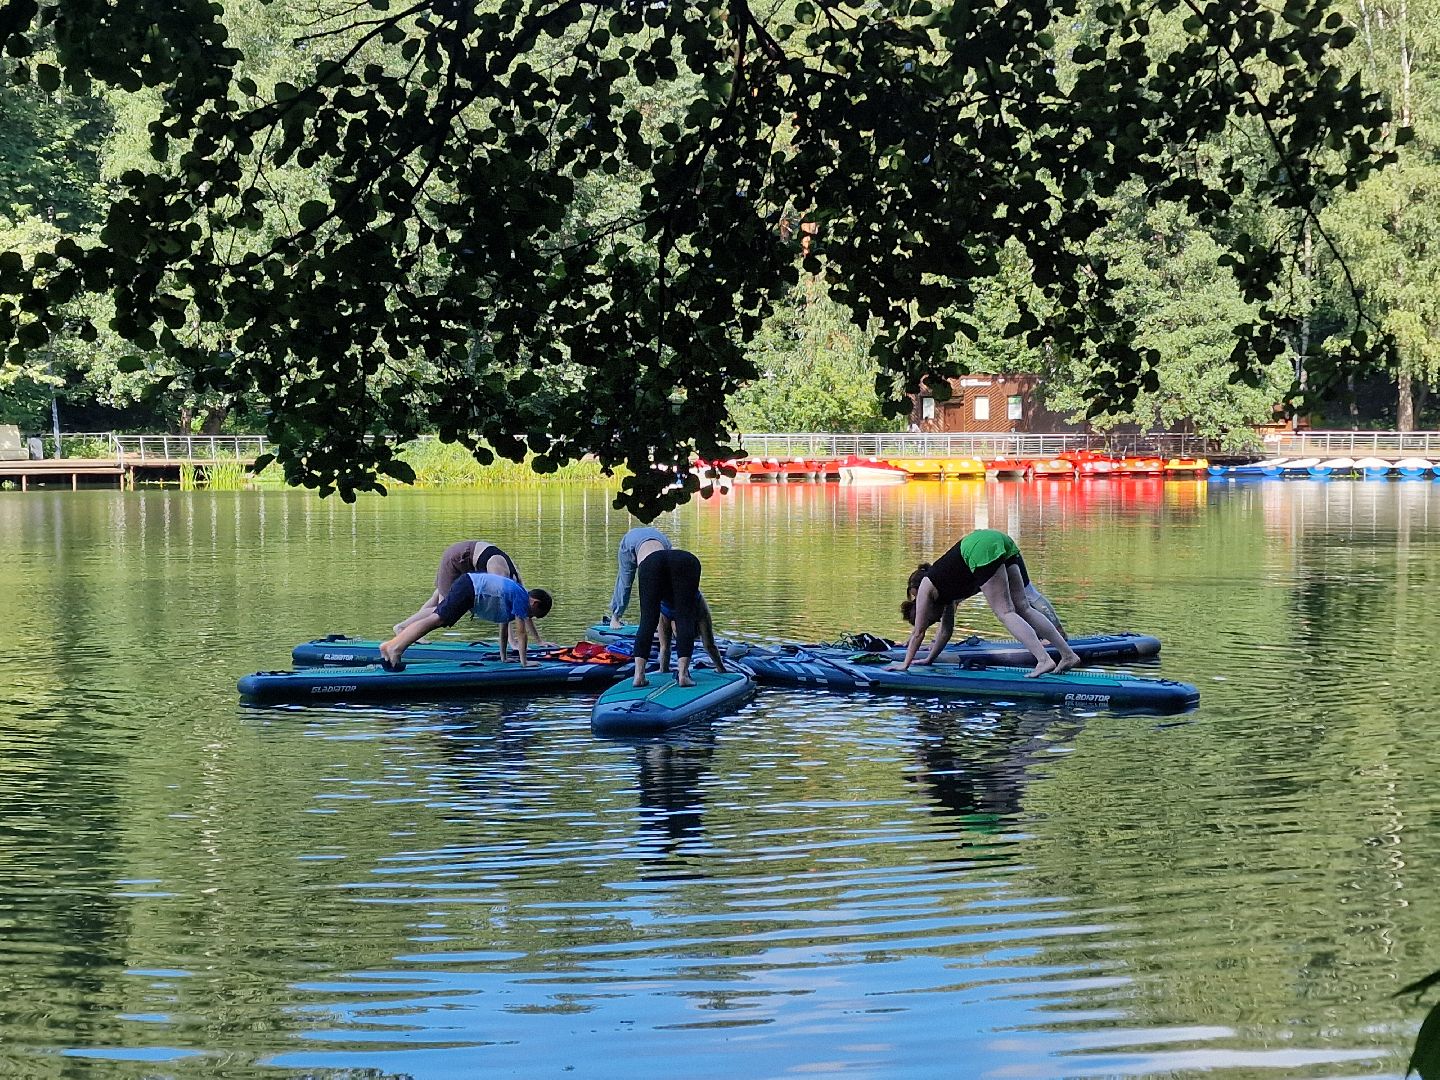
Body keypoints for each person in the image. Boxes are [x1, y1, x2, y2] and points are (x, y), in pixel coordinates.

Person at [892, 529, 1079, 678]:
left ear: (923, 607)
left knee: (1005, 612)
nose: (930, 621)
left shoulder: (926, 586)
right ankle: (1068, 655)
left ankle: (1043, 659)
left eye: (928, 619)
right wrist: (928, 659)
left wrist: (905, 664)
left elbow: (918, 633)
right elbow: (945, 632)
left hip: (980, 547)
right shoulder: (945, 596)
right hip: (998, 539)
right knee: (1023, 608)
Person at [380, 572, 553, 670]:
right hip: (470, 588)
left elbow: (504, 628)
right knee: (437, 619)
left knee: (436, 619)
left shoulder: (514, 597)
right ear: (535, 603)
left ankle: (391, 646)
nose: (530, 618)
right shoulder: (521, 597)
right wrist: (524, 663)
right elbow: (521, 633)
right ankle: (396, 647)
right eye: (534, 615)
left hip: (469, 586)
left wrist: (504, 658)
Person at [631, 548, 728, 688]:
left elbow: (664, 646)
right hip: (685, 563)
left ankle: (638, 676)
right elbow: (709, 644)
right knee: (684, 618)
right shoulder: (700, 610)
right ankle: (683, 676)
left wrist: (663, 670)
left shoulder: (664, 613)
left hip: (650, 563)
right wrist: (721, 669)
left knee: (647, 621)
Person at [395, 540, 525, 635]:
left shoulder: (517, 582)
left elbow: (525, 613)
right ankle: (403, 627)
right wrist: (512, 641)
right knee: (443, 608)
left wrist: (539, 641)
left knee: (437, 596)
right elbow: (503, 609)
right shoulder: (500, 573)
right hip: (457, 560)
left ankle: (412, 630)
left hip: (465, 563)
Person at [608, 526, 672, 628]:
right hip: (630, 543)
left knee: (666, 589)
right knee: (625, 583)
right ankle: (615, 618)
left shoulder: (667, 555)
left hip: (660, 540)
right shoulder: (648, 570)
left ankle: (663, 622)